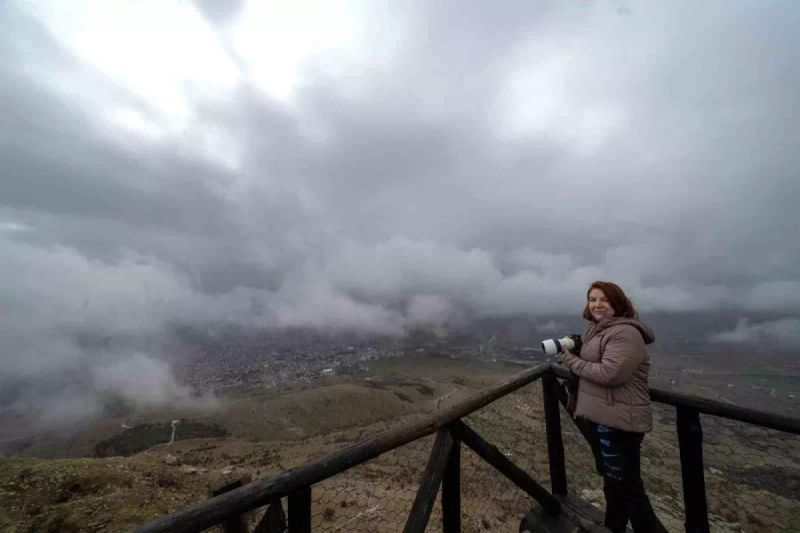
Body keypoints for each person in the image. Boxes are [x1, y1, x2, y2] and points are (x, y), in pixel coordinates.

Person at [558, 281, 667, 533]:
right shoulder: (596, 329)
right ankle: (612, 528)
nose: (597, 305)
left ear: (618, 302)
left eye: (604, 300)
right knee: (614, 485)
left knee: (630, 493)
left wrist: (569, 358)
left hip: (618, 424)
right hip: (604, 418)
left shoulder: (626, 333)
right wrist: (577, 348)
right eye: (592, 299)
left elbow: (610, 374)